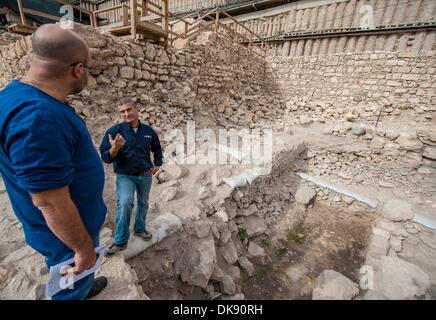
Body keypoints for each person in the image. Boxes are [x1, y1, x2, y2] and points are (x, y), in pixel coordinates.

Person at [0, 24, 108, 300]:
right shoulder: (38, 118)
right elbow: (50, 201)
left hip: (64, 234)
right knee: (69, 288)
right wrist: (83, 250)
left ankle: (83, 287)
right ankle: (76, 292)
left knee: (79, 280)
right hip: (67, 240)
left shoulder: (13, 95)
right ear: (77, 69)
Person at [100, 99, 163, 256]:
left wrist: (157, 164)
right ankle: (120, 240)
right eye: (122, 111)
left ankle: (140, 229)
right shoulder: (114, 132)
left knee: (143, 203)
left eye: (129, 110)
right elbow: (106, 158)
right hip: (125, 176)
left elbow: (157, 148)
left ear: (137, 110)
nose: (126, 114)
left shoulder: (148, 131)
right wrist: (114, 149)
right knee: (126, 203)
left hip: (145, 175)